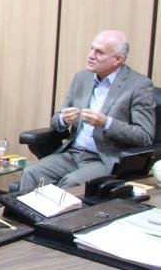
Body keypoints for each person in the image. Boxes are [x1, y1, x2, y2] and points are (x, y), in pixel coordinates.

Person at [19, 30, 155, 191]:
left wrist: (106, 123)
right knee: (31, 172)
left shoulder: (139, 86)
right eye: (92, 49)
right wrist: (63, 119)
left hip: (103, 158)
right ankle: (22, 209)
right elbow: (56, 120)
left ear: (118, 59)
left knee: (70, 183)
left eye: (99, 52)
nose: (91, 55)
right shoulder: (82, 78)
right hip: (73, 152)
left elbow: (144, 136)